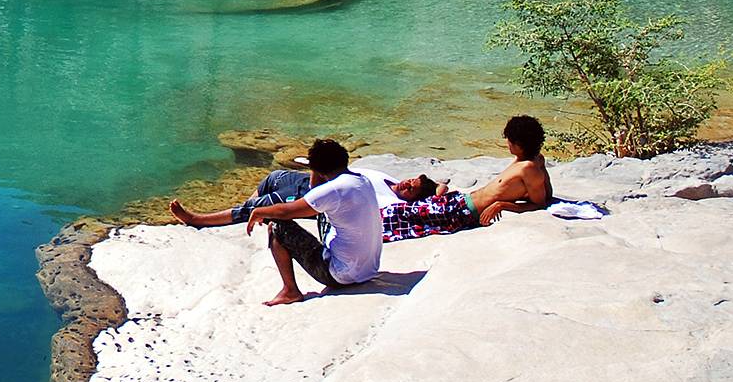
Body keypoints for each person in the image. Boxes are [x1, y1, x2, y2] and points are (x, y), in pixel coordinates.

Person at [244, 138, 384, 307]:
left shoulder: (333, 190)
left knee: (277, 225)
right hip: (368, 270)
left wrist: (259, 211)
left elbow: (287, 211)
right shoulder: (362, 180)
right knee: (325, 211)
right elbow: (315, 192)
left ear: (316, 168)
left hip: (340, 275)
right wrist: (316, 168)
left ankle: (290, 291)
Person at [380, 115, 553, 242]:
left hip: (461, 214)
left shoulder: (529, 168)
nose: (507, 144)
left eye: (510, 141)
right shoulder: (528, 160)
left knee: (400, 216)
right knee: (403, 210)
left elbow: (541, 202)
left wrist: (501, 205)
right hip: (459, 201)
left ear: (519, 145)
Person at [169, 165, 436, 228]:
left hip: (318, 199)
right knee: (274, 177)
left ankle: (198, 220)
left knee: (262, 206)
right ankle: (251, 210)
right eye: (409, 180)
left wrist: (435, 192)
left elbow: (439, 195)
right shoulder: (384, 178)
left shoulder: (394, 204)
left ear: (413, 198)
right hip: (313, 182)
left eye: (411, 188)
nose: (405, 185)